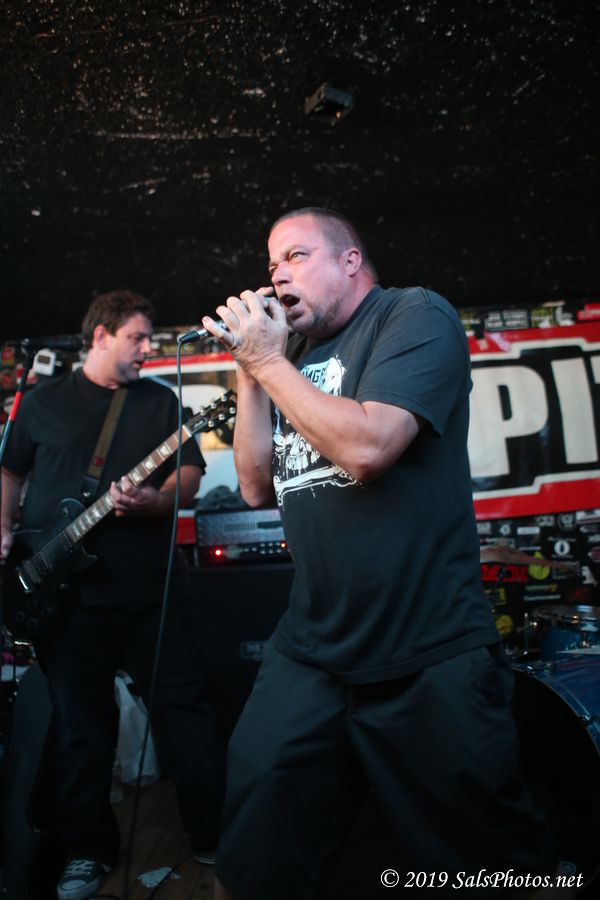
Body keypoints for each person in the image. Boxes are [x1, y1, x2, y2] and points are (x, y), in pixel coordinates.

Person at [201, 208, 564, 899]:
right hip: (311, 651)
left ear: (350, 262)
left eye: (296, 255)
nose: (276, 275)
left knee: (489, 863)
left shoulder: (413, 315)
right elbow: (253, 485)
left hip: (425, 645)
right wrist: (250, 372)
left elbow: (368, 448)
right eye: (271, 262)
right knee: (255, 847)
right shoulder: (286, 360)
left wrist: (268, 361)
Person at [1, 291, 224, 900]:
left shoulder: (159, 401)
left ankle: (213, 835)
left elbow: (189, 476)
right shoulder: (41, 402)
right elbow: (10, 471)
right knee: (81, 728)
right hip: (65, 600)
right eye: (137, 338)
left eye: (150, 339)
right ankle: (87, 850)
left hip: (149, 593)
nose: (148, 349)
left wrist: (155, 500)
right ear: (100, 336)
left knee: (183, 713)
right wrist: (3, 528)